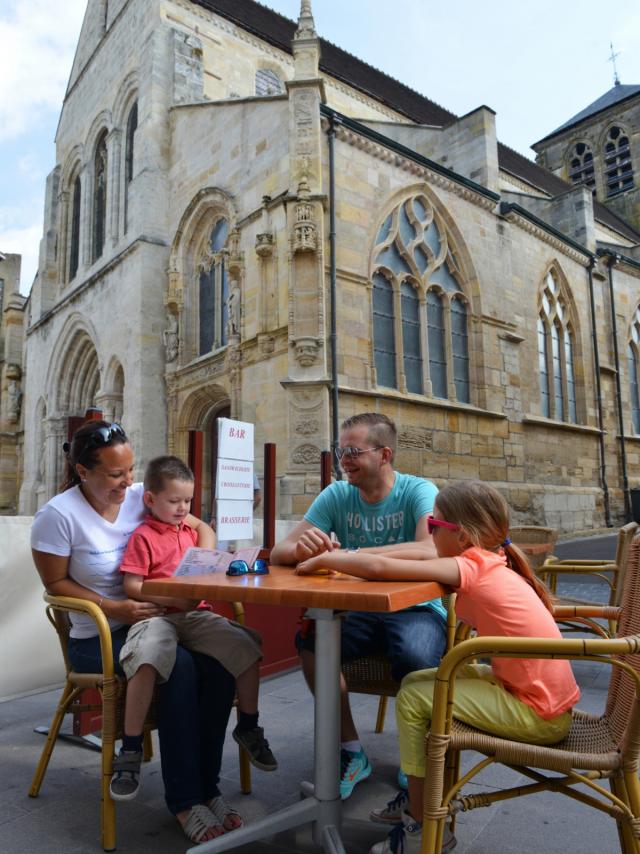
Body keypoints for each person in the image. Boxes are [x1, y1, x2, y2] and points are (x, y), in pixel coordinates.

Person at [297, 480, 580, 854]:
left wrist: (326, 559)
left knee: (413, 699)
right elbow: (409, 559)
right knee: (418, 680)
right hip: (539, 699)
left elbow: (381, 567)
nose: (428, 531)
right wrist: (349, 554)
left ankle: (420, 826)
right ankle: (425, 801)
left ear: (461, 537)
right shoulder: (488, 559)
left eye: (434, 525)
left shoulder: (471, 567)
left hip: (538, 714)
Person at [31, 421, 241, 845]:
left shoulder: (140, 495)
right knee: (178, 668)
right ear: (82, 471)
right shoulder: (58, 516)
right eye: (115, 474)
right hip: (102, 636)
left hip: (163, 622)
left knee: (219, 666)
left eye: (129, 471)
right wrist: (115, 606)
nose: (127, 482)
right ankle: (184, 800)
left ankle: (207, 786)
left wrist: (201, 564)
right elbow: (55, 586)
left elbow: (200, 529)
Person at [270, 412, 447, 799]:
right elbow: (279, 552)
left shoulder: (418, 491)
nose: (343, 459)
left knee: (417, 657)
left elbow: (428, 548)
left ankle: (418, 758)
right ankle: (351, 751)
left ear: (384, 455)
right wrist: (303, 548)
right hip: (360, 609)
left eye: (353, 451)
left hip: (417, 607)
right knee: (313, 646)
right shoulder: (337, 494)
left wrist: (353, 555)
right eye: (340, 450)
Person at [114, 455, 277, 802]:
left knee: (246, 646)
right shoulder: (143, 536)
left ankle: (248, 726)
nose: (182, 508)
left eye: (187, 501)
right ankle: (129, 749)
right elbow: (132, 584)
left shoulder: (191, 533)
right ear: (150, 499)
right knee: (146, 657)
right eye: (174, 501)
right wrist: (171, 592)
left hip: (195, 615)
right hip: (158, 615)